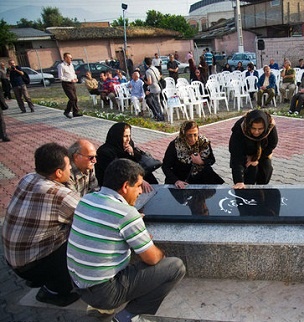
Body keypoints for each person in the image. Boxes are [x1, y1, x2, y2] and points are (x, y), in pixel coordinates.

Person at [67, 158, 185, 322]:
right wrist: (147, 240)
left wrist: (134, 232)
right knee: (175, 267)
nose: (140, 192)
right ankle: (129, 316)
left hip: (77, 284)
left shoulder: (86, 200)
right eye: (138, 186)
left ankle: (101, 309)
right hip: (104, 292)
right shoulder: (126, 213)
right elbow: (152, 258)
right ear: (125, 187)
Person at [2, 143, 80, 306]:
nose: (70, 170)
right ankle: (53, 291)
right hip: (31, 266)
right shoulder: (62, 196)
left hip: (13, 258)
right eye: (68, 167)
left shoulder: (28, 177)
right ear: (59, 172)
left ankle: (48, 278)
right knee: (80, 239)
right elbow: (93, 219)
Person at [162, 120, 224, 188]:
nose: (193, 138)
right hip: (182, 180)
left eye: (195, 135)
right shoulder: (175, 145)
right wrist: (176, 181)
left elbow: (212, 160)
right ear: (183, 134)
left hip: (202, 178)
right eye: (189, 135)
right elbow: (165, 166)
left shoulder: (203, 143)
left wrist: (201, 162)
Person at [95, 122, 158, 187]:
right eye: (125, 136)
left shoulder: (128, 146)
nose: (128, 139)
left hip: (131, 177)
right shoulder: (105, 152)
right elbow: (117, 173)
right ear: (117, 136)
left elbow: (138, 162)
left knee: (150, 178)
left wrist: (133, 153)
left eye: (129, 136)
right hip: (115, 184)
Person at [229, 110, 278, 189]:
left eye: (260, 129)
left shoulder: (270, 126)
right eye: (253, 128)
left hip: (262, 152)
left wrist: (256, 159)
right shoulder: (239, 127)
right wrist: (239, 181)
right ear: (248, 125)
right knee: (249, 177)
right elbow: (236, 154)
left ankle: (261, 192)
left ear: (265, 126)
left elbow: (272, 145)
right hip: (244, 152)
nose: (256, 132)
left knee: (265, 171)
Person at [58, 52, 82, 118]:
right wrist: (69, 80)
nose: (71, 59)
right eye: (69, 58)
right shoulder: (61, 66)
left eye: (71, 58)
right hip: (66, 84)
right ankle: (67, 111)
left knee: (75, 98)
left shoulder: (71, 65)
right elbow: (60, 77)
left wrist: (75, 78)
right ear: (65, 58)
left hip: (72, 83)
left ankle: (75, 112)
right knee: (72, 98)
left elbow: (73, 73)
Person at [144, 57, 165, 121]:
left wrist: (145, 81)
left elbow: (149, 82)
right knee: (158, 103)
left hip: (153, 89)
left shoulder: (148, 71)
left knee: (155, 104)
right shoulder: (155, 69)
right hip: (158, 87)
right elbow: (159, 78)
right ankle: (161, 115)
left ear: (146, 64)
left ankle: (159, 116)